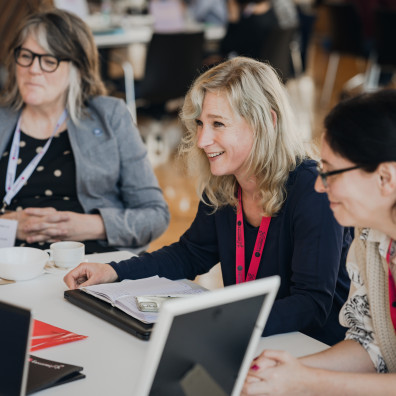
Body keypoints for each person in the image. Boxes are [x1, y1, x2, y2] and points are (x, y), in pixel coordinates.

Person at [64, 56, 352, 345]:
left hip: (310, 349)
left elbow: (311, 305)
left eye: (218, 124)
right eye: (200, 123)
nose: (202, 140)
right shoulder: (226, 182)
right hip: (250, 339)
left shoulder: (313, 190)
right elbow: (191, 254)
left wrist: (221, 321)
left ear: (267, 122)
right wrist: (113, 270)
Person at [242, 89, 396, 395]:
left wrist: (306, 381)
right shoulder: (369, 236)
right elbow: (371, 343)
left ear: (385, 178)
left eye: (330, 172)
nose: (318, 185)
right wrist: (291, 370)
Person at [0, 9, 169, 254]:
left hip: (94, 266)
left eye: (49, 60)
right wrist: (10, 226)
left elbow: (155, 215)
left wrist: (93, 225)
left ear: (76, 68)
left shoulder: (110, 116)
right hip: (11, 269)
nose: (33, 69)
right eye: (26, 56)